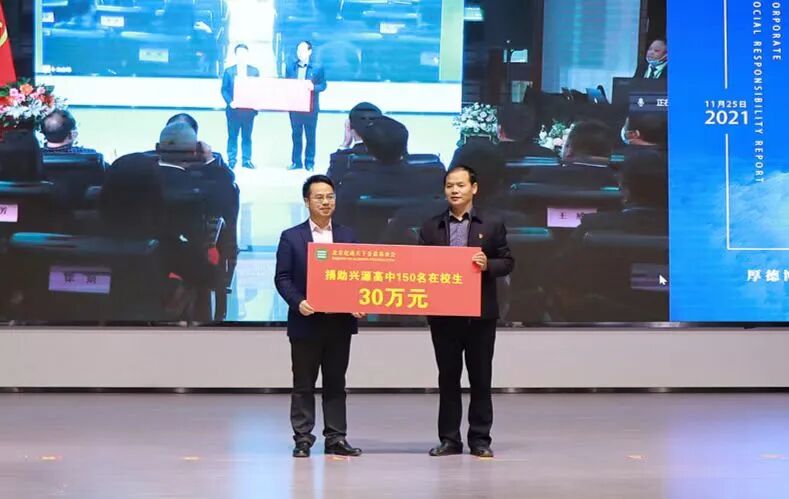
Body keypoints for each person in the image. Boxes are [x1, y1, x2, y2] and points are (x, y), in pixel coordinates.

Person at [418, 164, 515, 458]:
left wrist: (488, 265)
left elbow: (507, 262)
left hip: (480, 315)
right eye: (450, 185)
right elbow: (419, 265)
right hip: (444, 315)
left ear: (474, 188)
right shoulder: (431, 226)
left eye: (460, 185)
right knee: (448, 379)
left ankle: (480, 439)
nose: (455, 190)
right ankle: (449, 439)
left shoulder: (492, 223)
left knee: (480, 378)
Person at [274, 175, 364, 458]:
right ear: (306, 201)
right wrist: (298, 302)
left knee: (336, 383)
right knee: (303, 384)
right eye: (319, 197)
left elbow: (358, 277)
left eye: (330, 196)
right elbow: (282, 278)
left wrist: (358, 301)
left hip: (339, 323)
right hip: (306, 321)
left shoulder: (348, 236)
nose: (326, 202)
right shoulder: (291, 236)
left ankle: (336, 437)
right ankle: (303, 438)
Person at [286, 41, 327, 171]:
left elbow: (323, 85)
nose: (300, 53)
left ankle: (309, 162)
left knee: (310, 135)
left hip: (311, 107)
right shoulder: (291, 67)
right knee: (296, 135)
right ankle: (296, 162)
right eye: (298, 50)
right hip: (295, 107)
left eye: (303, 50)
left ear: (310, 51)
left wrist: (313, 87)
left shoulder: (317, 68)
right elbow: (286, 84)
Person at [221, 44, 260, 169]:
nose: (242, 56)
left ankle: (246, 160)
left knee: (247, 136)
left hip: (249, 110)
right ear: (236, 55)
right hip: (234, 110)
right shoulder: (229, 71)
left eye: (244, 53)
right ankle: (232, 159)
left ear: (247, 55)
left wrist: (256, 103)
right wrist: (230, 102)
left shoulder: (254, 71)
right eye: (239, 53)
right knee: (233, 136)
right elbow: (224, 90)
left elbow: (259, 89)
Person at [326, 102, 382, 185]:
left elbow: (326, 188)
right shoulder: (393, 158)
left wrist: (345, 144)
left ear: (349, 126)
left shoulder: (341, 160)